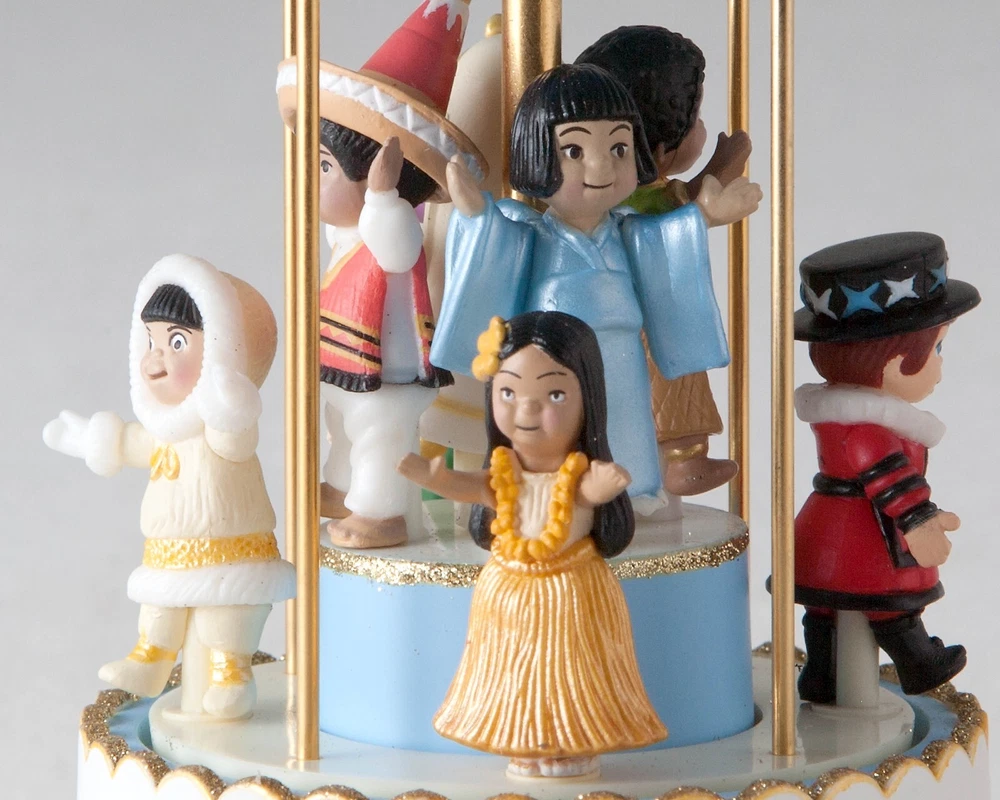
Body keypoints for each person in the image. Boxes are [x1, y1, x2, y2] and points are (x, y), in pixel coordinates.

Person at [431, 63, 761, 515]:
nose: (602, 165)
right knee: (559, 429)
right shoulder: (529, 233)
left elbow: (663, 244)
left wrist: (704, 217)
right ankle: (552, 499)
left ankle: (631, 493)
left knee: (625, 421)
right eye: (574, 150)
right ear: (537, 154)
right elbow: (498, 250)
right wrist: (476, 216)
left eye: (618, 147)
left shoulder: (628, 230)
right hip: (554, 357)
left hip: (621, 352)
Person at [399, 311, 666, 778]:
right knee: (514, 671)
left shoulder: (576, 474)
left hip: (572, 591)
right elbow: (472, 486)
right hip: (508, 593)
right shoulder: (504, 474)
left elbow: (586, 493)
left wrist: (603, 487)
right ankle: (522, 737)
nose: (525, 411)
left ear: (588, 399)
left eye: (554, 395)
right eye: (508, 392)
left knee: (570, 673)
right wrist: (436, 479)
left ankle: (571, 741)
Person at [42, 254, 295, 720]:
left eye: (177, 341)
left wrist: (228, 399)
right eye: (151, 340)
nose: (156, 357)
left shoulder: (224, 424)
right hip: (170, 549)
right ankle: (152, 657)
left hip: (231, 549)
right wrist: (95, 440)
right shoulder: (166, 429)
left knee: (227, 611)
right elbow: (130, 442)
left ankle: (231, 673)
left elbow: (236, 436)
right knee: (160, 603)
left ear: (222, 348)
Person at [275, 0, 486, 547]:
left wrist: (382, 198)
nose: (310, 176)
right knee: (344, 427)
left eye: (324, 166)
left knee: (379, 437)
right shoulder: (347, 230)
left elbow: (394, 252)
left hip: (389, 369)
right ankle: (344, 486)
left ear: (380, 174)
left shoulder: (392, 225)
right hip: (348, 357)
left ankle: (380, 510)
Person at [790, 232, 979, 700]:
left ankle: (822, 674)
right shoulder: (866, 428)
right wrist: (918, 520)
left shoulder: (847, 417)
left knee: (825, 610)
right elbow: (887, 475)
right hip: (862, 534)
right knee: (889, 605)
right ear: (894, 362)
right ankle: (919, 662)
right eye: (936, 350)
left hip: (826, 530)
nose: (940, 366)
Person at [576, 25, 756, 495]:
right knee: (674, 378)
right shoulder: (629, 200)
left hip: (634, 309)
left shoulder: (634, 192)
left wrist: (722, 163)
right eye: (696, 122)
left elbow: (688, 199)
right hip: (640, 315)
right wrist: (712, 194)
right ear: (659, 147)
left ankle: (676, 460)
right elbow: (678, 216)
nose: (702, 129)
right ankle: (681, 460)